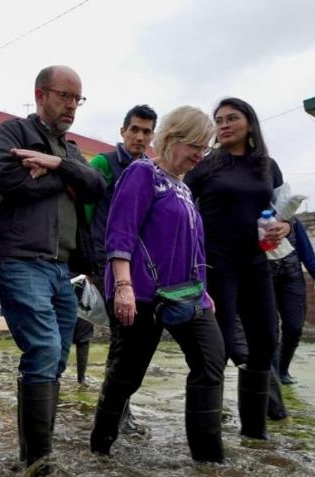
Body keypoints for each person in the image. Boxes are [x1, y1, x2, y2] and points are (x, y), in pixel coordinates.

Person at [90, 106, 225, 462]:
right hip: (143, 294)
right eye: (196, 145)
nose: (200, 155)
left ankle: (208, 458)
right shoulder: (142, 173)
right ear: (172, 137)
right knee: (126, 376)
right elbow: (121, 230)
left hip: (187, 295)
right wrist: (123, 286)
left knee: (211, 361)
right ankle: (100, 447)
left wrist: (203, 288)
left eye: (205, 148)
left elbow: (193, 244)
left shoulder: (183, 188)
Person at [0, 65, 104, 468]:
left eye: (77, 98)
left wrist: (55, 165)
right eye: (64, 96)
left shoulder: (71, 150)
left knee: (56, 356)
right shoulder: (13, 132)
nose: (72, 105)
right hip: (20, 259)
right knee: (44, 346)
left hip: (62, 268)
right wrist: (68, 179)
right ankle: (38, 461)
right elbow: (8, 179)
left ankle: (35, 456)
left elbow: (96, 186)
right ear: (40, 95)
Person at [184, 97, 290, 440]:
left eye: (232, 118)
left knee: (265, 343)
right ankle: (207, 444)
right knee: (221, 346)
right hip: (217, 264)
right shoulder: (207, 165)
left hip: (257, 263)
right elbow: (180, 206)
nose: (224, 125)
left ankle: (254, 434)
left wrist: (284, 227)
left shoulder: (267, 167)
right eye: (219, 120)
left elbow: (279, 211)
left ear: (249, 123)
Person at [84, 104, 159, 426]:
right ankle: (117, 412)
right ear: (123, 131)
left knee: (132, 341)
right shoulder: (104, 163)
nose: (140, 137)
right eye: (135, 130)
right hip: (106, 261)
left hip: (137, 267)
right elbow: (87, 212)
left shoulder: (151, 170)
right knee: (121, 338)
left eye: (146, 132)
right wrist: (88, 259)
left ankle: (116, 406)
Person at [273, 217, 315, 385]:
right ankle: (272, 376)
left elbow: (307, 254)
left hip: (291, 278)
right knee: (270, 331)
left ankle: (283, 368)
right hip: (263, 279)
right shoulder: (252, 217)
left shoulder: (293, 222)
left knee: (294, 328)